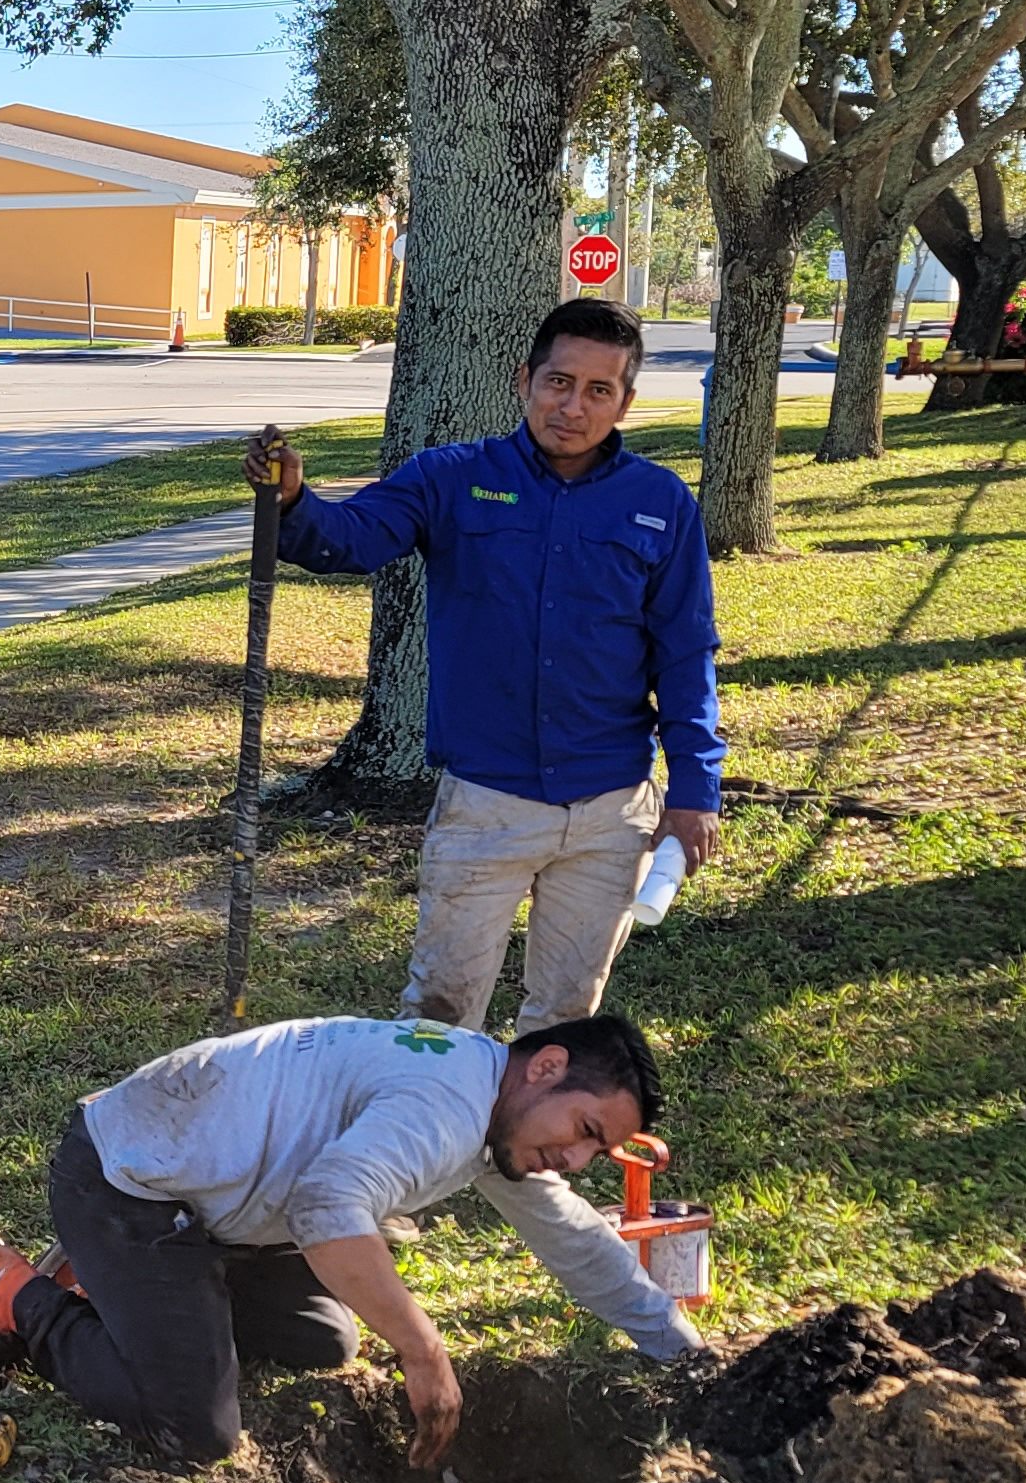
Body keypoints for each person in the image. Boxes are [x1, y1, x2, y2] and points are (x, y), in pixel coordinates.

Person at [243, 298, 724, 1034]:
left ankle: (524, 1153)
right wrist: (294, 503)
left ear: (626, 402)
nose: (573, 406)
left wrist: (695, 790)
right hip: (484, 805)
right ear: (524, 379)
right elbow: (352, 539)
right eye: (559, 382)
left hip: (611, 813)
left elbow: (686, 653)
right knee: (437, 1016)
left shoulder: (660, 503)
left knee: (565, 1018)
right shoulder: (452, 477)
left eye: (599, 391)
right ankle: (431, 1146)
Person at [0, 1012, 697, 1467]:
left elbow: (573, 1240)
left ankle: (113, 1285)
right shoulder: (447, 1109)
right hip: (126, 1181)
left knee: (325, 1340)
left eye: (595, 1153)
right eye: (584, 1132)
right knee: (196, 1430)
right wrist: (422, 1348)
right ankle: (18, 1295)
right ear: (549, 1068)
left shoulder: (487, 1094)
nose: (573, 1160)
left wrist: (682, 1351)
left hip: (215, 1204)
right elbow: (327, 1212)